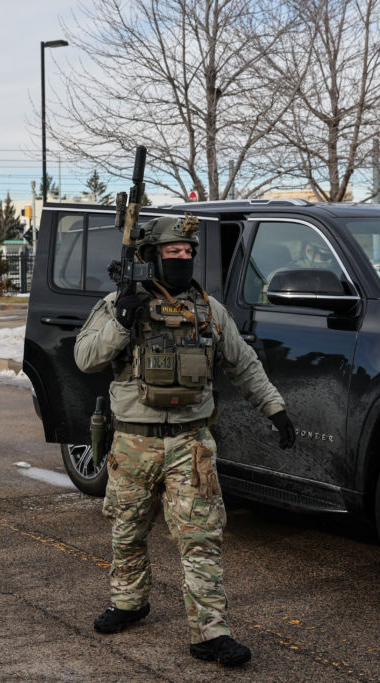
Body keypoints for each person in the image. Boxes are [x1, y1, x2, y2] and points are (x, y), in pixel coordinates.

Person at [74, 215, 297, 667]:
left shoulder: (210, 310)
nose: (182, 259)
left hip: (189, 444)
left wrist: (275, 408)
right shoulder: (118, 303)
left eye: (188, 253)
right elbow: (85, 359)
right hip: (133, 442)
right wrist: (121, 321)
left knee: (201, 539)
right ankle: (128, 603)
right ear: (150, 256)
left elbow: (244, 363)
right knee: (127, 531)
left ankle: (210, 633)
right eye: (173, 252)